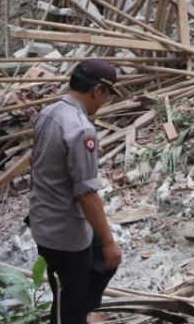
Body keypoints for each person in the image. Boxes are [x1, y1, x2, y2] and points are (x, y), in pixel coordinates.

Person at [29, 59, 124, 324]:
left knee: (94, 270)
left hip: (45, 218)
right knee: (71, 299)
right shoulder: (81, 129)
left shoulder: (49, 112)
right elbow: (86, 194)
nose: (103, 103)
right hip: (64, 232)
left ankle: (82, 309)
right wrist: (108, 241)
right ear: (97, 91)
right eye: (106, 96)